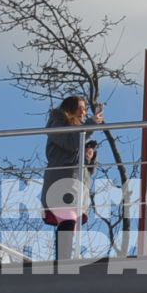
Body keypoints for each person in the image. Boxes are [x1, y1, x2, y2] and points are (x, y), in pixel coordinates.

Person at [42, 94, 102, 261]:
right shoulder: (57, 124)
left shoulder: (78, 132)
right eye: (80, 109)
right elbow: (70, 142)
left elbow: (84, 172)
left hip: (73, 185)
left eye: (85, 110)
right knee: (67, 221)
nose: (83, 113)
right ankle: (63, 261)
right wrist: (90, 126)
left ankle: (64, 259)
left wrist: (88, 159)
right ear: (70, 109)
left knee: (69, 223)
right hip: (61, 183)